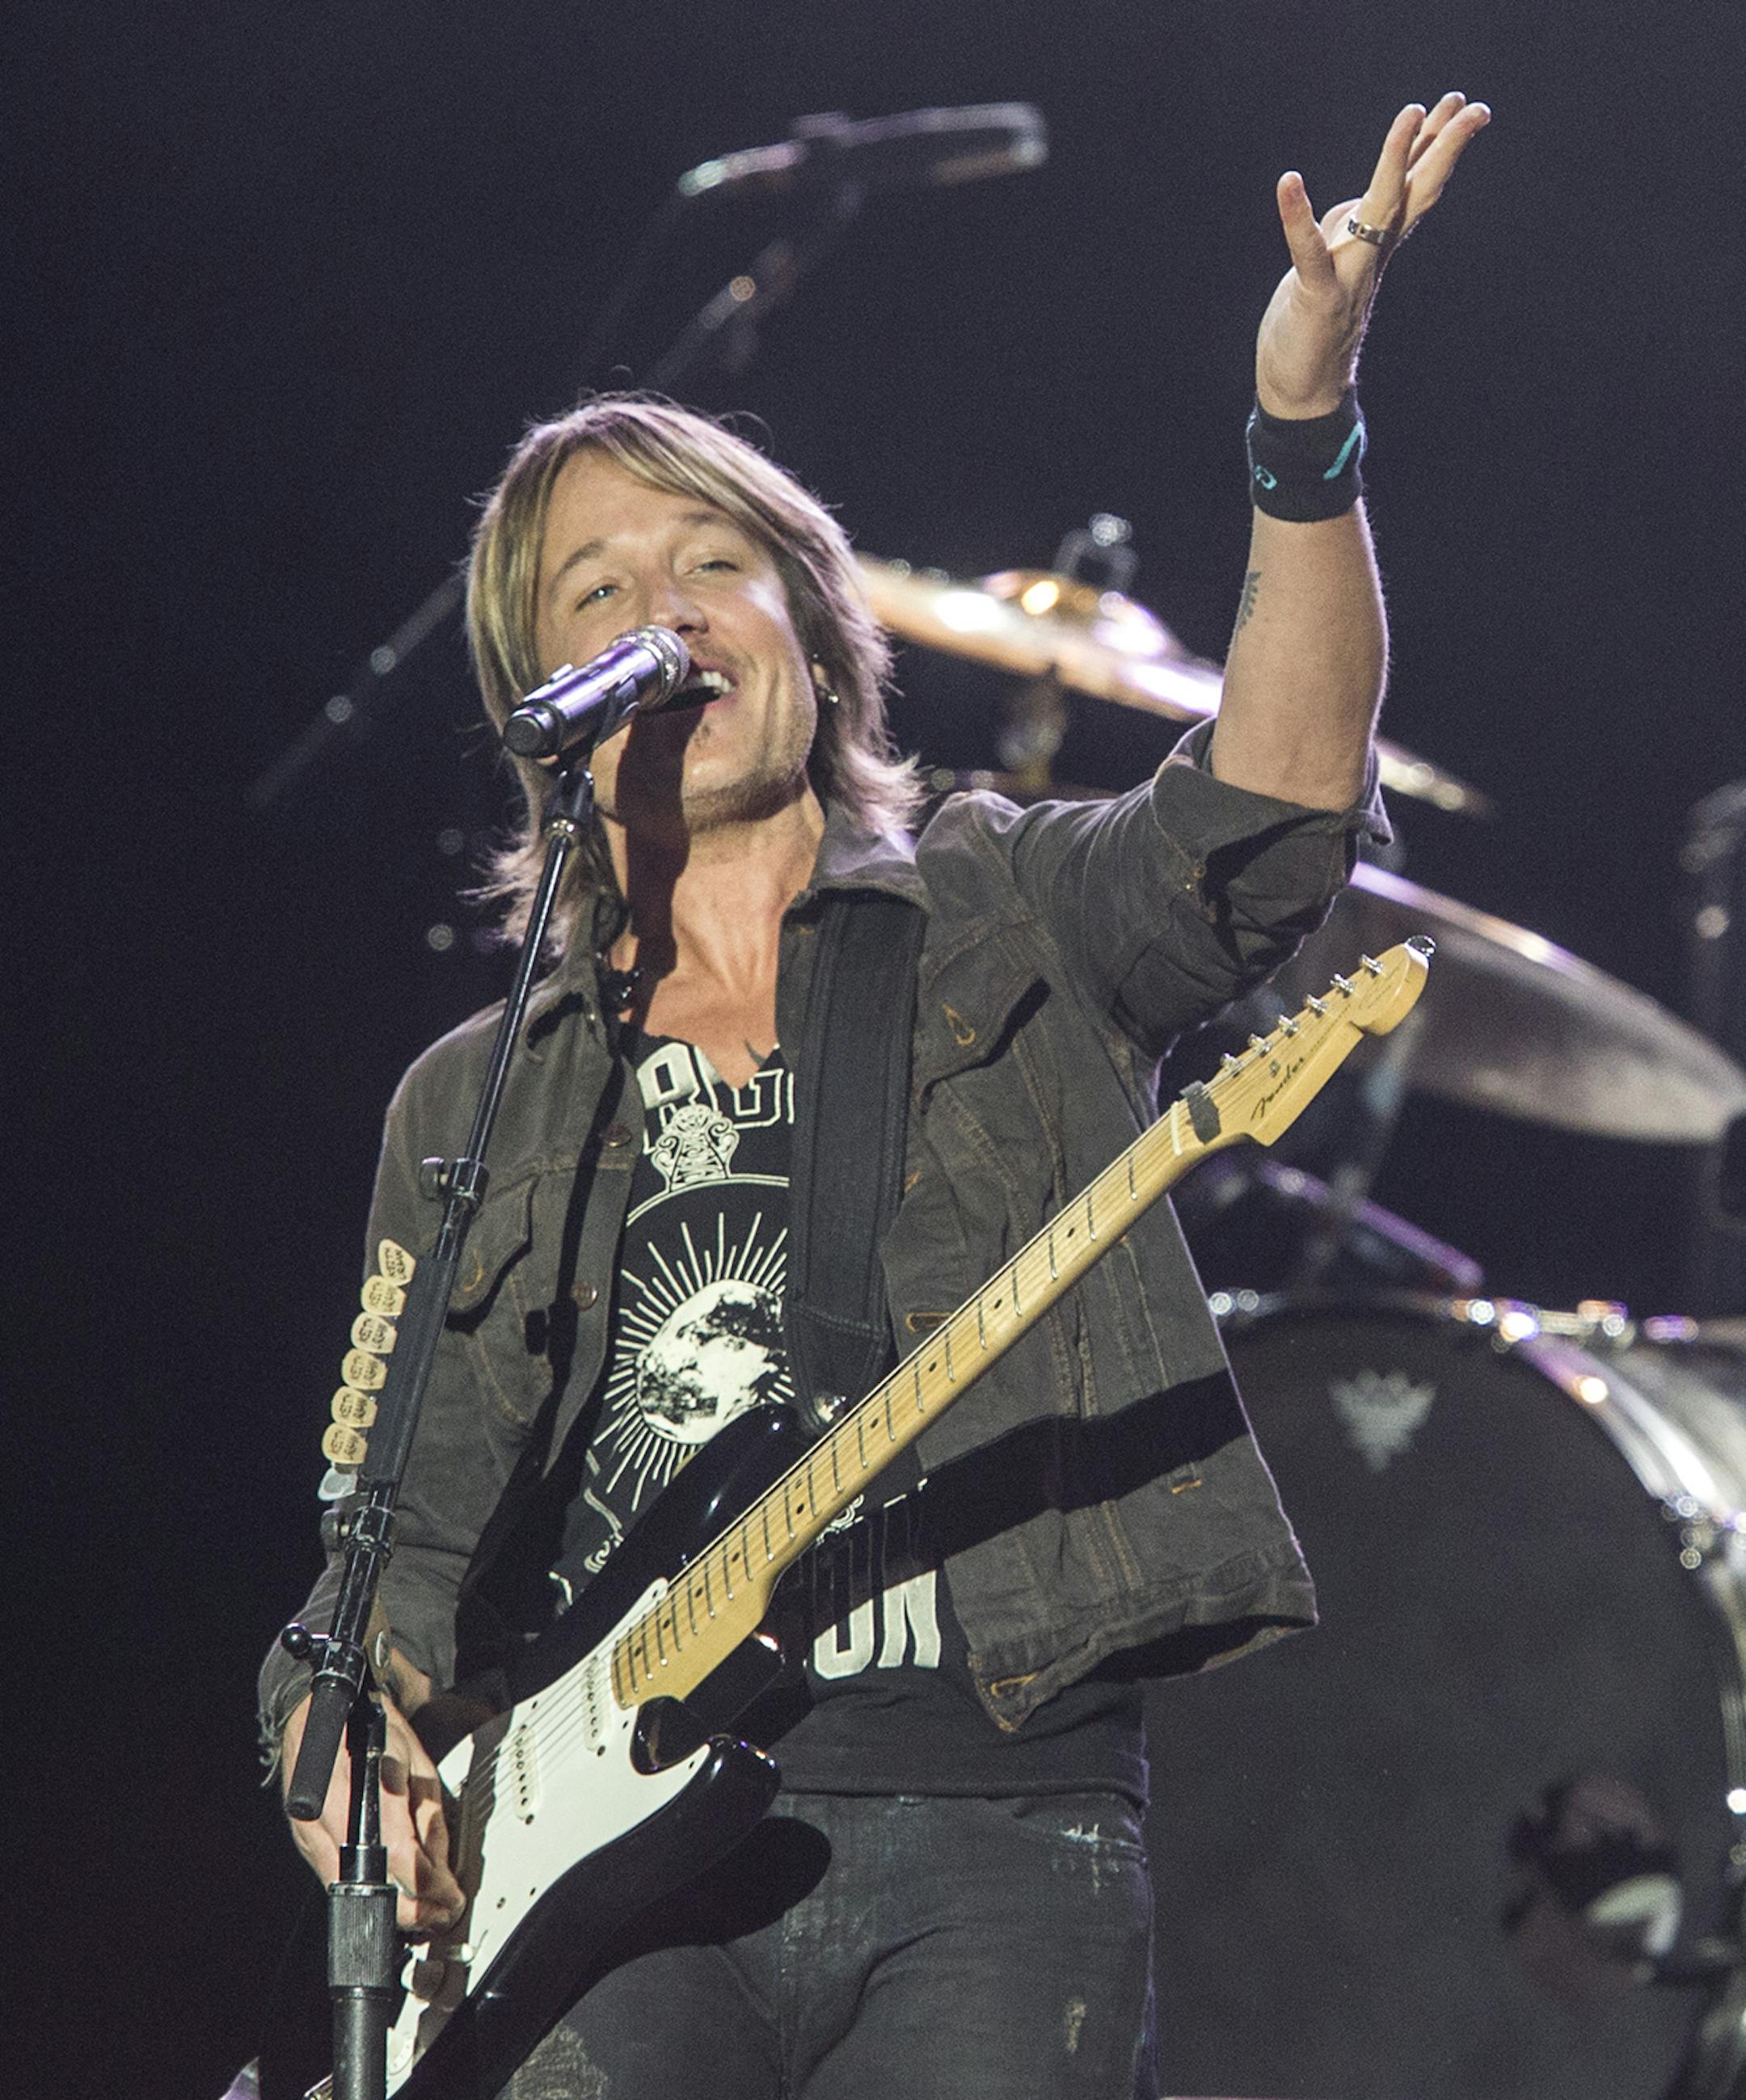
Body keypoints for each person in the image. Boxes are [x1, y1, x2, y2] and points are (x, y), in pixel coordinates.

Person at [261, 96, 1490, 2098]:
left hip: (994, 1814)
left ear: (819, 647)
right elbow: (388, 1539)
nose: (662, 612)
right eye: (595, 594)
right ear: (538, 711)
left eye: (714, 563)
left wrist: (1305, 426)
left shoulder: (1010, 909)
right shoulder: (470, 1100)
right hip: (599, 1862)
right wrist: (343, 1727)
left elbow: (1273, 809)